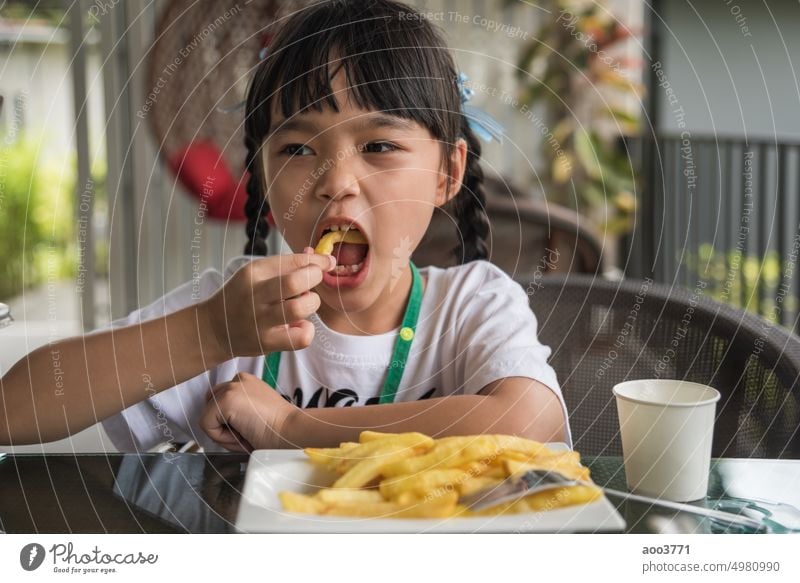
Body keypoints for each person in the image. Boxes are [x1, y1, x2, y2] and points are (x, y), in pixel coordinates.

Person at [0, 0, 570, 453]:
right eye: (297, 147)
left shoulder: (471, 304)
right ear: (263, 176)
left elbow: (526, 423)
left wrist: (289, 428)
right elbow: (14, 411)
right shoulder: (234, 313)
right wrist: (210, 333)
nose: (335, 180)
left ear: (447, 172)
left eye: (378, 145)